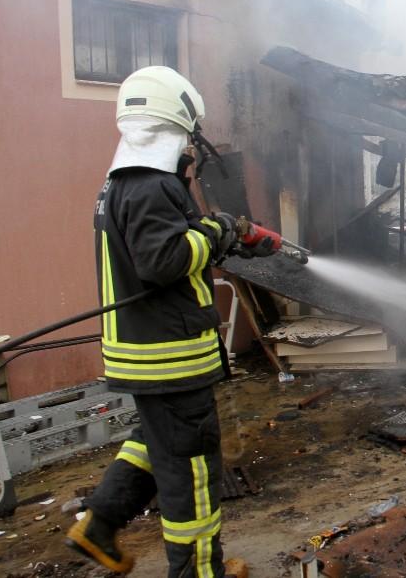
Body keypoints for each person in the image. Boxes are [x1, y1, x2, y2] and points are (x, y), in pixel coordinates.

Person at [66, 66, 270, 577]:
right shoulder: (153, 187)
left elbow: (164, 240)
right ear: (177, 126)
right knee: (193, 472)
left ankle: (98, 526)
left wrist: (211, 227)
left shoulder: (124, 184)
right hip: (170, 354)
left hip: (146, 353)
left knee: (155, 443)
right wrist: (217, 237)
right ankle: (201, 572)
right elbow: (162, 261)